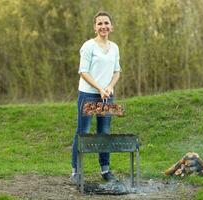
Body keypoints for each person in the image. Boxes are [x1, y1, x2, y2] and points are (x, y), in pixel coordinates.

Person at [70, 11, 121, 183]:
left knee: (104, 132)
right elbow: (83, 72)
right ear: (95, 27)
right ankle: (76, 172)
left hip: (106, 96)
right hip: (88, 95)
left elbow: (117, 71)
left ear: (111, 27)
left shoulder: (114, 47)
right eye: (99, 23)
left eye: (106, 23)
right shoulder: (88, 46)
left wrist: (109, 87)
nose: (103, 26)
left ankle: (105, 170)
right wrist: (99, 88)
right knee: (83, 132)